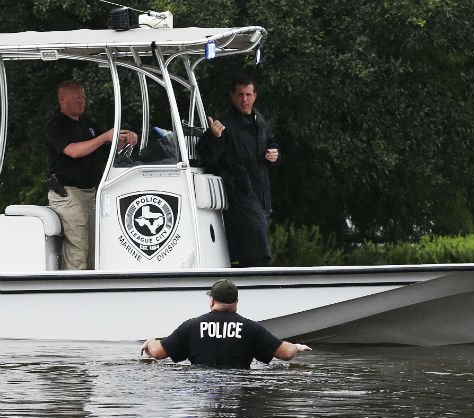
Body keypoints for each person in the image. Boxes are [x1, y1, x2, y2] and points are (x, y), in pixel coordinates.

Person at [45, 80, 138, 270]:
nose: (82, 101)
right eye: (77, 97)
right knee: (78, 250)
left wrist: (126, 139)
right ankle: (70, 294)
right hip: (67, 195)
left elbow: (108, 148)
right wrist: (104, 136)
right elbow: (73, 151)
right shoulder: (55, 125)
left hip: (89, 194)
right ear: (62, 100)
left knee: (94, 250)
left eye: (83, 97)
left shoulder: (87, 125)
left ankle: (89, 293)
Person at [197, 76, 280, 267]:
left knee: (255, 253)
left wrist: (275, 155)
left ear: (255, 96)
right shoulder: (224, 124)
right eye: (240, 95)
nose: (245, 99)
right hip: (239, 198)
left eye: (248, 95)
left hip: (261, 197)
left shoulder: (259, 120)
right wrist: (214, 137)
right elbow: (208, 159)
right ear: (232, 96)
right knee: (256, 255)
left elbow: (271, 144)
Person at [141, 279, 311, 368]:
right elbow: (287, 353)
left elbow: (157, 352)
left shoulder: (191, 326)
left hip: (201, 386)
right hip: (240, 386)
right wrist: (295, 346)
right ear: (236, 301)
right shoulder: (252, 329)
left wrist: (150, 341)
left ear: (212, 300)